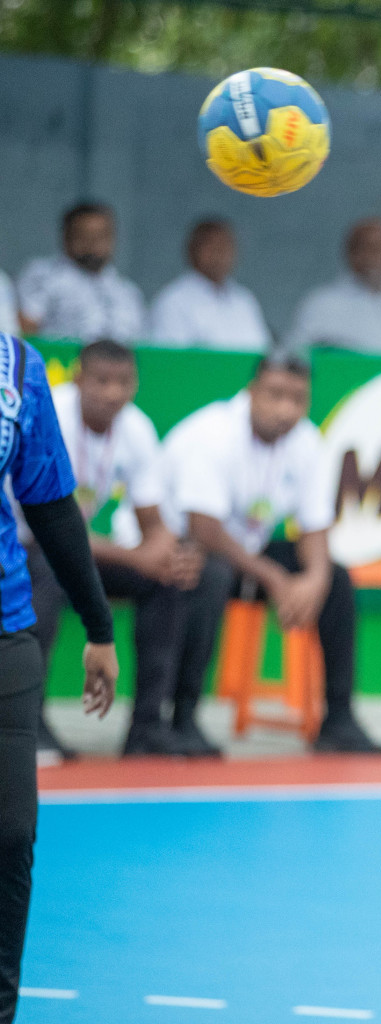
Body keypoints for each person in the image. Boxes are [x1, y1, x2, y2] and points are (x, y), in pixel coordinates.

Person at [161, 354, 381, 755]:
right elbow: (204, 529)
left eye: (298, 399)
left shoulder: (306, 441)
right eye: (276, 395)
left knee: (336, 579)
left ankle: (338, 718)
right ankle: (183, 718)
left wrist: (314, 579)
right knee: (208, 573)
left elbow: (315, 526)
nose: (287, 409)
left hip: (245, 555)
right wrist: (277, 579)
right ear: (251, 393)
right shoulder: (212, 434)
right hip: (182, 550)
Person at [0, 329, 118, 1020]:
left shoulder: (17, 366)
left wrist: (99, 626)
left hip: (5, 623)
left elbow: (48, 503)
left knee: (12, 832)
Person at [24, 340, 201, 760]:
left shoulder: (135, 428)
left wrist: (165, 555)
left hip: (70, 550)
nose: (113, 393)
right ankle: (29, 724)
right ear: (78, 378)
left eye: (124, 382)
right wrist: (139, 556)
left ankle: (146, 728)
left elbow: (153, 523)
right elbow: (45, 528)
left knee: (168, 580)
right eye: (101, 381)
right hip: (20, 544)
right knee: (45, 574)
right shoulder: (48, 418)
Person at [287, 218, 381, 354]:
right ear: (352, 253)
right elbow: (295, 356)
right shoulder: (322, 304)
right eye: (369, 248)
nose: (377, 256)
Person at [17, 203, 145, 342]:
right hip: (60, 362)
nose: (93, 244)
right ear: (66, 236)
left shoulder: (127, 291)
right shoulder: (43, 276)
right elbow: (26, 333)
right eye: (84, 236)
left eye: (101, 236)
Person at [149, 219, 272, 351]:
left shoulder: (244, 300)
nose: (221, 254)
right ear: (193, 250)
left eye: (226, 246)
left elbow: (263, 353)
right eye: (213, 247)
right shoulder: (173, 301)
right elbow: (170, 360)